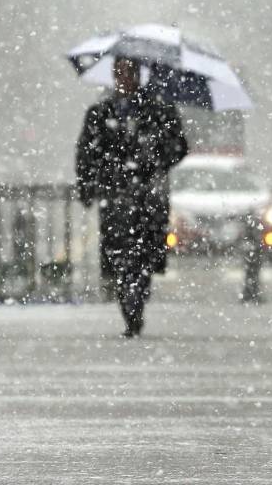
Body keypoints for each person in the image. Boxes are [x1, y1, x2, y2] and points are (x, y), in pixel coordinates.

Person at [75, 56, 188, 337]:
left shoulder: (160, 111)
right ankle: (130, 306)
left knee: (143, 257)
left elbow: (179, 147)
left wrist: (153, 155)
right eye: (119, 72)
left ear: (139, 75)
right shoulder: (100, 113)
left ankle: (136, 299)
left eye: (129, 72)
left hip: (148, 198)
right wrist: (90, 186)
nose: (124, 78)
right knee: (121, 256)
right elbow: (86, 154)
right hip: (116, 198)